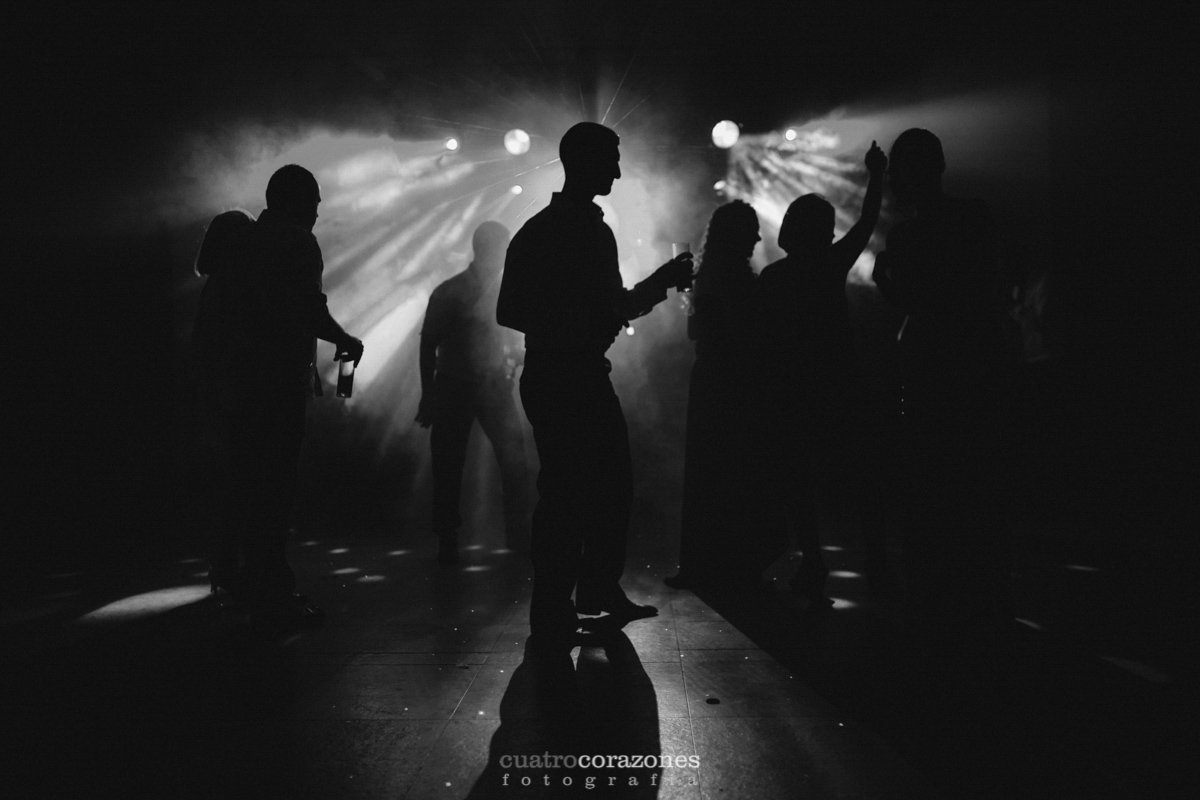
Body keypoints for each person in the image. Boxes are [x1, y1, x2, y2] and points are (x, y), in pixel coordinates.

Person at [497, 121, 694, 650]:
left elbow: (524, 308)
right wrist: (586, 319)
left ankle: (580, 597)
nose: (618, 169)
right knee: (579, 492)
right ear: (583, 160)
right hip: (568, 375)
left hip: (564, 374)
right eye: (611, 158)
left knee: (591, 490)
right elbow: (514, 309)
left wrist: (650, 287)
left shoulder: (551, 229)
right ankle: (567, 602)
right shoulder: (568, 231)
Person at [216, 164, 365, 632]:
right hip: (276, 383)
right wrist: (346, 340)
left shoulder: (242, 241)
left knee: (245, 483)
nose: (320, 211)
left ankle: (238, 577)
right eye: (315, 201)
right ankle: (274, 593)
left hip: (238, 382)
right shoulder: (298, 241)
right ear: (298, 201)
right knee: (275, 487)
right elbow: (307, 307)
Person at [870, 128, 1011, 621]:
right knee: (972, 485)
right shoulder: (974, 216)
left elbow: (916, 304)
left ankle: (936, 599)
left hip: (934, 370)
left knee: (932, 487)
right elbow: (989, 285)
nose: (891, 182)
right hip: (976, 365)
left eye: (895, 172)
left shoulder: (908, 235)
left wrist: (886, 279)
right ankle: (980, 598)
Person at [756, 141, 887, 607]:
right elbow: (867, 223)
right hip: (837, 385)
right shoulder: (830, 265)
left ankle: (814, 562)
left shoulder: (771, 278)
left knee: (798, 482)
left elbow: (763, 343)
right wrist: (876, 176)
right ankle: (877, 564)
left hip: (792, 391)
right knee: (855, 478)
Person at [416, 221, 531, 565]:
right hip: (466, 384)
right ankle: (514, 538)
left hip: (463, 383)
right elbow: (429, 343)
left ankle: (452, 540)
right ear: (495, 248)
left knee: (454, 464)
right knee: (501, 463)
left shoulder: (452, 290)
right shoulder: (475, 291)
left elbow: (428, 345)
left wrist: (428, 393)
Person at [664, 200, 763, 590]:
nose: (757, 237)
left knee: (707, 475)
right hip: (733, 379)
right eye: (751, 229)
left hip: (709, 377)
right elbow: (745, 336)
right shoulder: (736, 277)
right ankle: (738, 569)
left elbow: (692, 333)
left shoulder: (706, 273)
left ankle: (702, 565)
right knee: (736, 475)